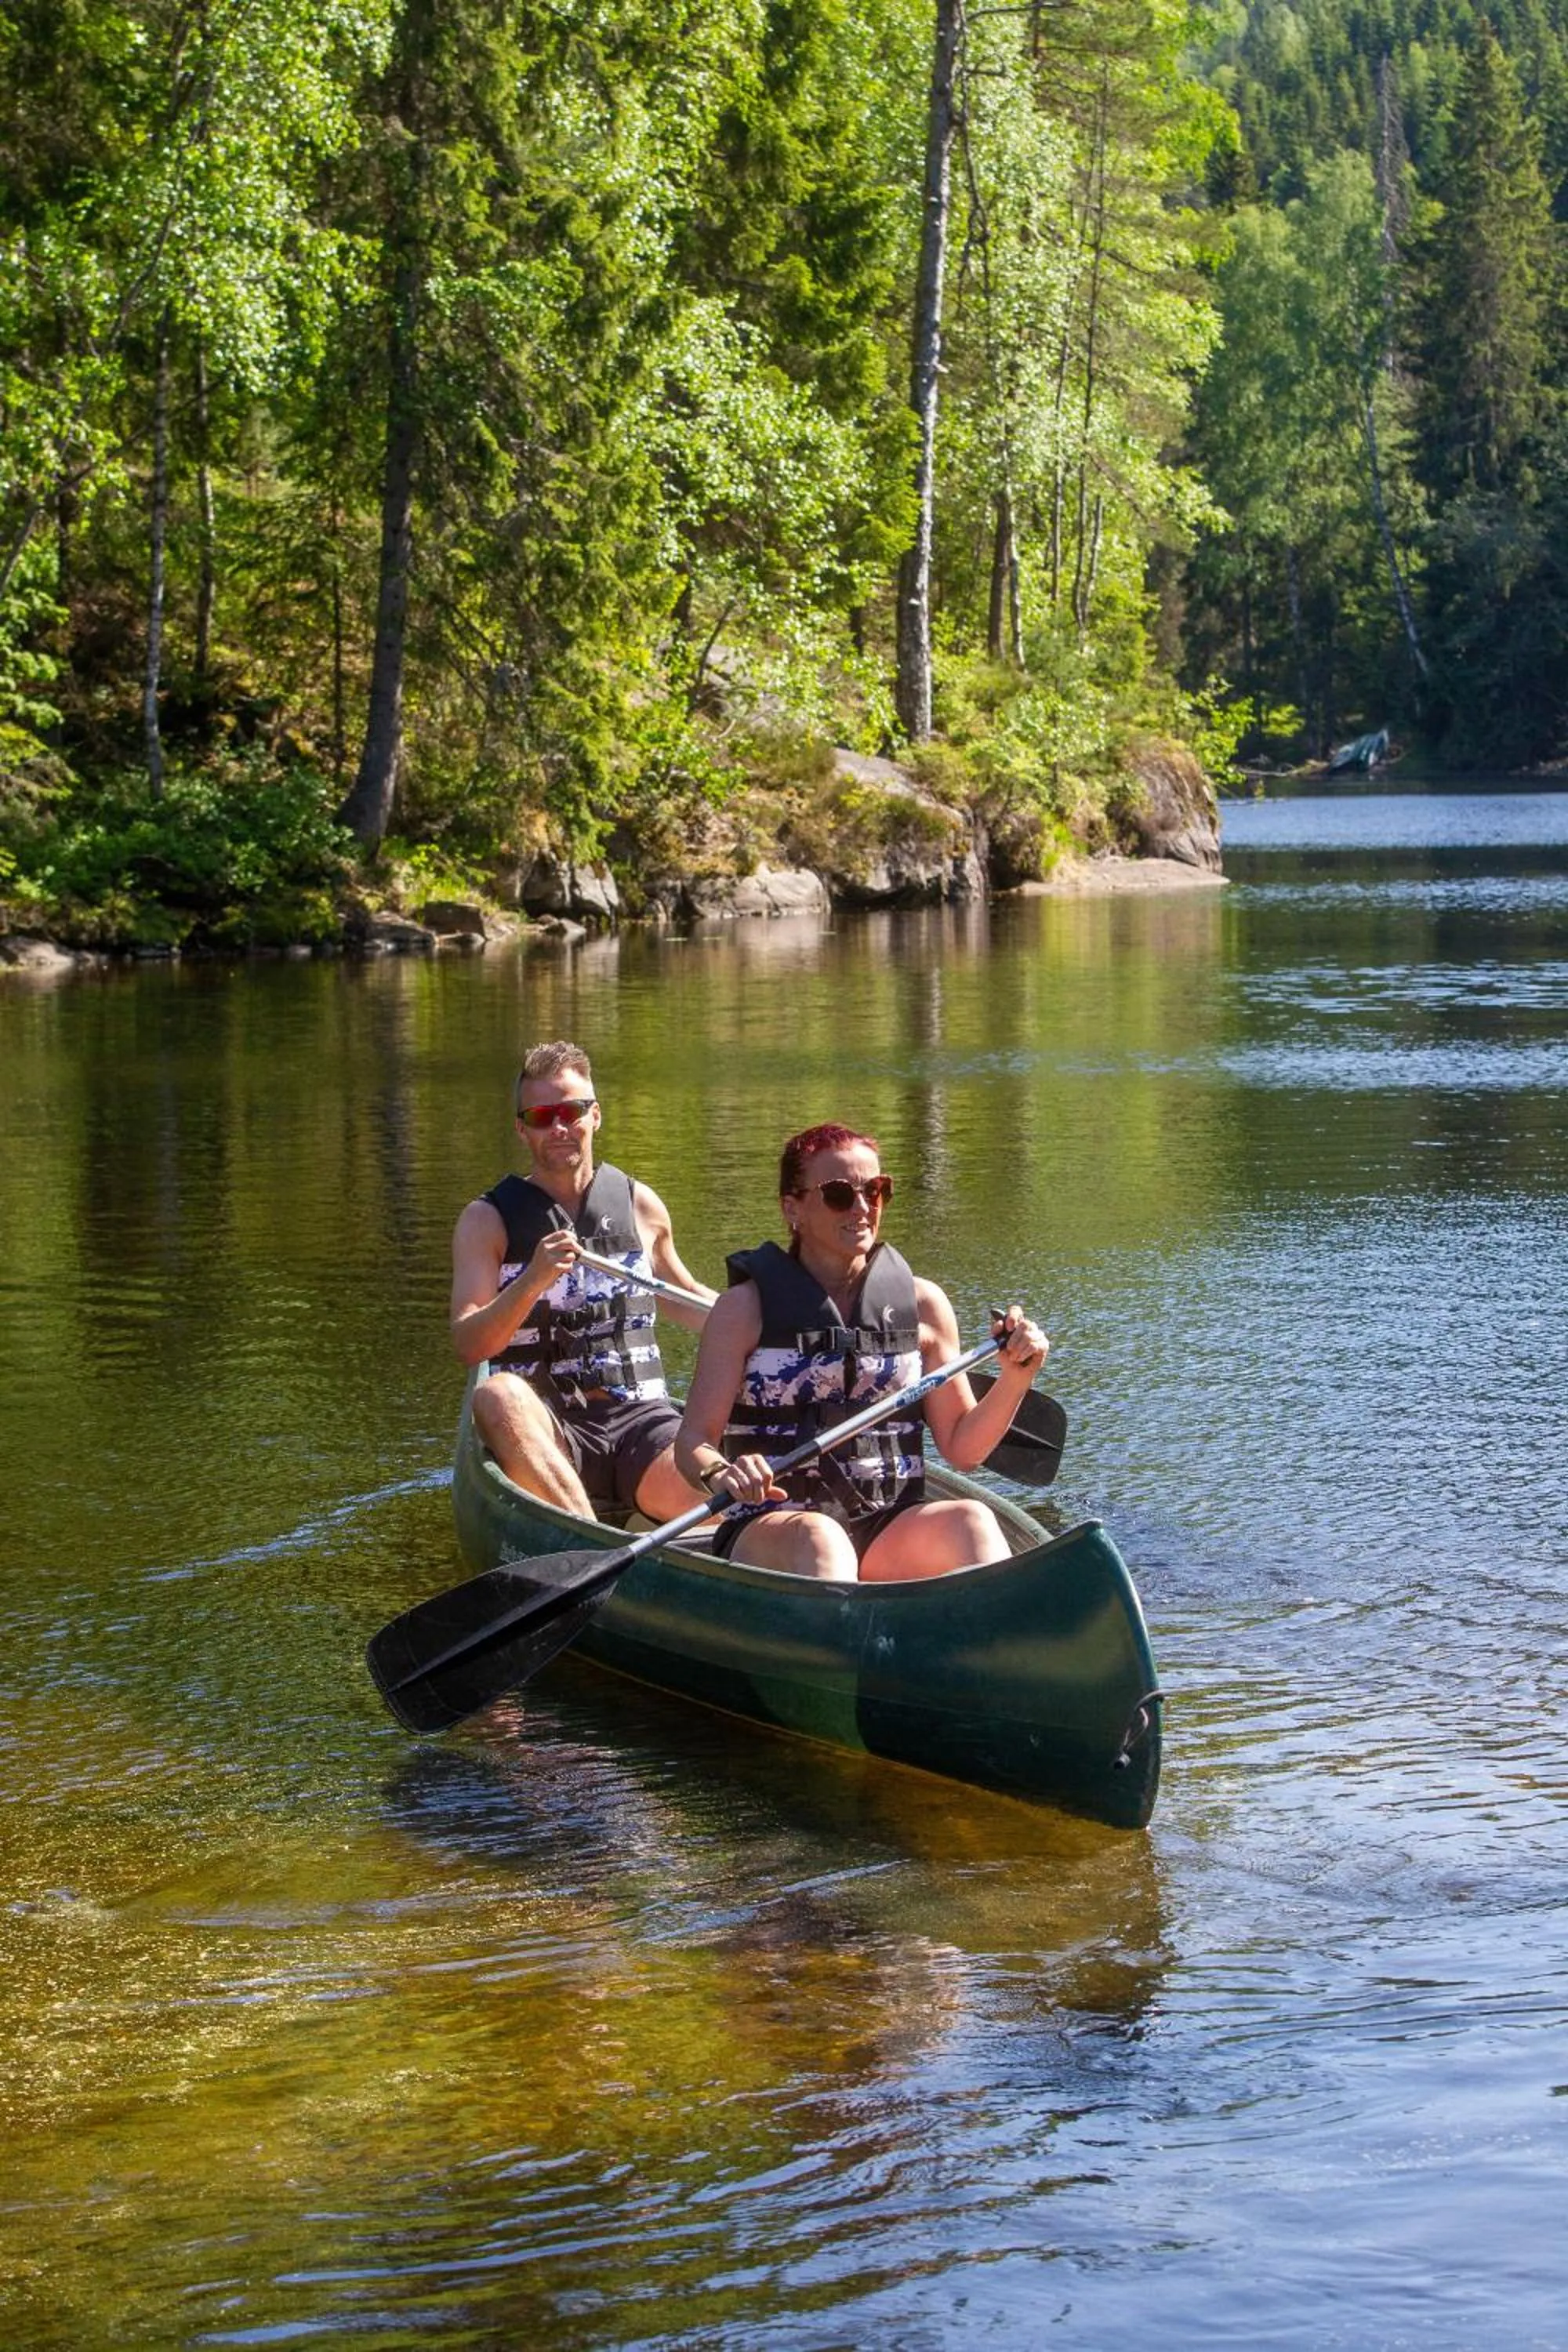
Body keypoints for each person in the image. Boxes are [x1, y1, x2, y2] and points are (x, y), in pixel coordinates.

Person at [675, 1121, 1048, 1581]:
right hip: (776, 1526)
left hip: (887, 1522)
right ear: (792, 1208)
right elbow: (693, 1441)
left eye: (875, 1190)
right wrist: (722, 1472)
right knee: (822, 1541)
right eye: (838, 1194)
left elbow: (963, 1449)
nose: (862, 1207)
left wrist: (1016, 1378)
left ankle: (994, 1645)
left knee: (972, 1521)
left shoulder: (924, 1305)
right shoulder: (742, 1310)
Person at [451, 1041, 715, 1521]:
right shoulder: (487, 1220)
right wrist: (532, 1278)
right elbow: (470, 1343)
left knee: (720, 1495)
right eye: (541, 1116)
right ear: (521, 1129)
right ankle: (587, 1536)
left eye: (570, 1111)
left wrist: (770, 1315)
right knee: (496, 1394)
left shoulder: (641, 1205)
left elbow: (684, 1298)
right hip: (548, 1428)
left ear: (595, 1116)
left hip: (643, 1425)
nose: (558, 1127)